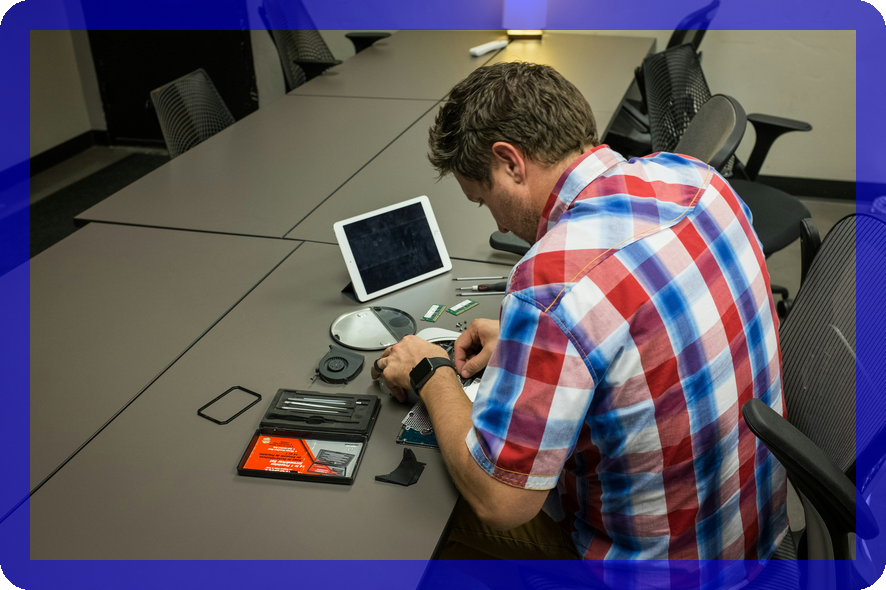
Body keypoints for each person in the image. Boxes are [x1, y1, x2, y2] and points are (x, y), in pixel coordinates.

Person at [371, 62, 789, 566]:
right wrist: (538, 347)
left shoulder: (550, 285)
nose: (496, 220)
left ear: (510, 162)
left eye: (484, 200)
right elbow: (652, 322)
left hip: (662, 571)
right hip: (752, 532)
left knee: (424, 514)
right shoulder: (698, 180)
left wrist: (430, 372)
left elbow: (501, 502)